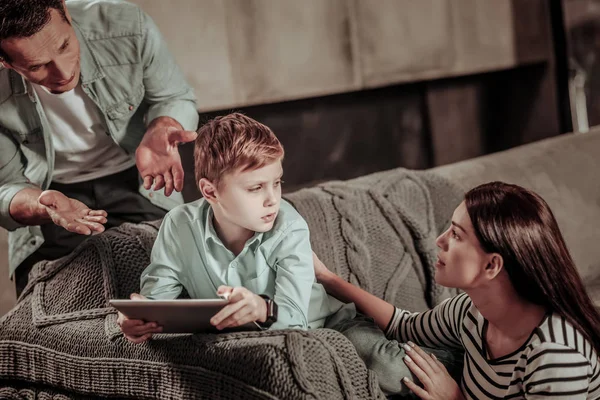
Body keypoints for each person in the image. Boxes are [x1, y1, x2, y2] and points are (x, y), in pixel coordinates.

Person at [117, 113, 462, 398]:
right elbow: (157, 297)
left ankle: (461, 359)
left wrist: (263, 309)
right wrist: (140, 322)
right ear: (210, 191)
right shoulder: (179, 225)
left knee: (391, 368)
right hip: (258, 339)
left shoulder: (289, 226)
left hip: (329, 324)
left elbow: (295, 317)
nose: (272, 199)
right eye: (256, 188)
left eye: (277, 183)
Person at [313, 181, 600, 399]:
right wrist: (328, 278)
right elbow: (403, 325)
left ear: (492, 266)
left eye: (456, 234)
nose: (439, 240)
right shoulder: (470, 311)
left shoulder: (555, 356)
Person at [0, 0, 200, 295]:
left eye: (65, 46)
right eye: (38, 66)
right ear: (5, 62)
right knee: (43, 309)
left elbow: (174, 96)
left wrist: (161, 127)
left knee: (184, 289)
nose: (63, 71)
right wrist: (41, 204)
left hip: (138, 181)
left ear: (66, 12)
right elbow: (5, 186)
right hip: (50, 197)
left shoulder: (127, 24)